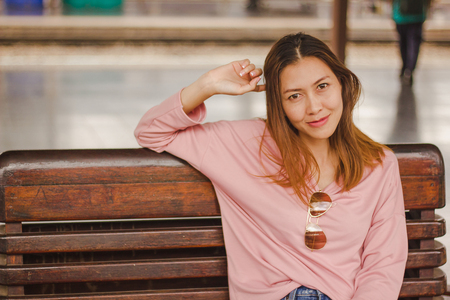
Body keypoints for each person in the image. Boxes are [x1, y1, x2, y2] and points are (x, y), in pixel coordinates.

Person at [134, 32, 408, 300]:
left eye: (322, 86)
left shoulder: (378, 165)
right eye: (294, 96)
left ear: (342, 84)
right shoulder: (246, 145)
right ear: (279, 104)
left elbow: (383, 265)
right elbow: (151, 131)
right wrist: (208, 84)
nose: (314, 107)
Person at [391, 0, 431, 85]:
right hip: (417, 16)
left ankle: (405, 66)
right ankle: (410, 69)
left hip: (400, 16)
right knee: (414, 45)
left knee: (403, 44)